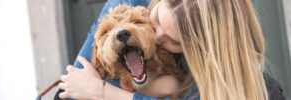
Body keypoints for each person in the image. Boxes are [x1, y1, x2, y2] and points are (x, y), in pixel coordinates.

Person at [56, 0, 274, 100]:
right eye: (157, 19)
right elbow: (72, 89)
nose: (157, 37)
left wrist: (104, 92)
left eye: (173, 40)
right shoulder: (127, 3)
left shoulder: (221, 79)